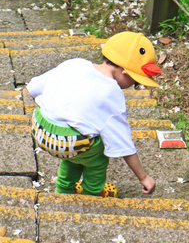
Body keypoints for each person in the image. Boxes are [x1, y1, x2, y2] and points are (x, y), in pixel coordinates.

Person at [27, 32, 161, 197]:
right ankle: (92, 194)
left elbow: (33, 87)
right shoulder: (111, 92)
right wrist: (144, 177)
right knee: (98, 154)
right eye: (135, 81)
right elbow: (121, 141)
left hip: (40, 128)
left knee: (76, 149)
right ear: (125, 73)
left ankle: (63, 190)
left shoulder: (76, 63)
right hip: (70, 142)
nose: (134, 86)